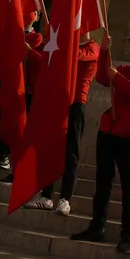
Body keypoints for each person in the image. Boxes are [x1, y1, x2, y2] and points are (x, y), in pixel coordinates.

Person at [70, 32, 130, 252]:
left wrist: (117, 78)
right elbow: (101, 77)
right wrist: (105, 51)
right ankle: (97, 226)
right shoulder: (123, 69)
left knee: (129, 188)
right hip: (108, 132)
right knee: (102, 184)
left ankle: (128, 234)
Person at [40, 33, 101, 215]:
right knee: (52, 149)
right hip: (59, 101)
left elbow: (76, 55)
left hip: (76, 103)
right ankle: (46, 196)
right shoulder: (69, 44)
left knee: (70, 152)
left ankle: (65, 198)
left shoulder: (93, 47)